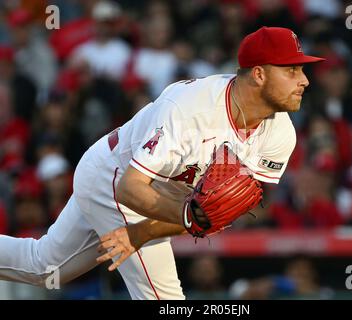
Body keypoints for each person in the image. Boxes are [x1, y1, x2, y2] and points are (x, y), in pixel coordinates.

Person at [0, 27, 324, 300]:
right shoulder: (190, 110)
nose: (304, 80)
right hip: (115, 177)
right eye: (291, 70)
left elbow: (215, 212)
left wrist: (143, 232)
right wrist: (184, 216)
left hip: (157, 192)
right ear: (259, 74)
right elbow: (132, 189)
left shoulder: (280, 133)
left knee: (44, 267)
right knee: (166, 300)